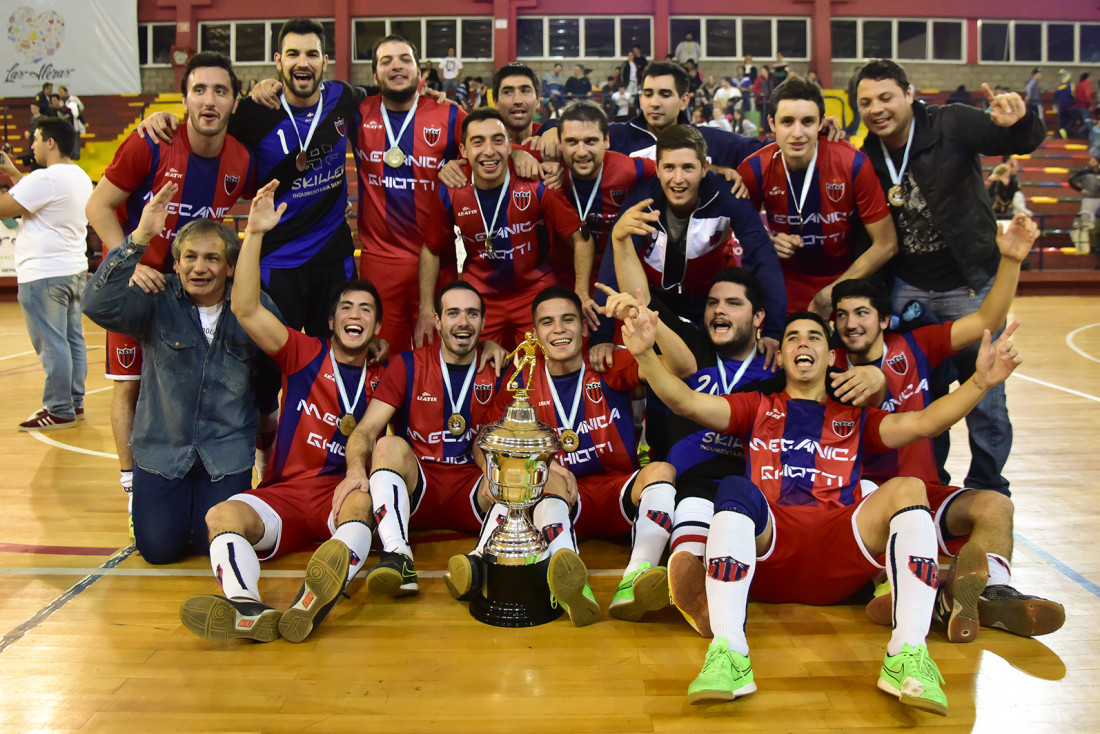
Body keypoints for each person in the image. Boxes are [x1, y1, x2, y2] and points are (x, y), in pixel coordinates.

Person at [629, 303, 1024, 714]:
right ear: (780, 355)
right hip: (771, 555)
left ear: (832, 356)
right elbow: (687, 402)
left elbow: (925, 423)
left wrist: (979, 381)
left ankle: (907, 654)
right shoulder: (756, 406)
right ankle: (729, 651)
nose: (804, 343)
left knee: (907, 488)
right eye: (793, 338)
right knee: (734, 489)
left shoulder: (856, 418)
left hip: (840, 549)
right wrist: (644, 355)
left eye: (815, 337)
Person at [830, 224, 1064, 644]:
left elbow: (987, 320)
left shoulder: (918, 345)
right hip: (866, 503)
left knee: (995, 505)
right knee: (882, 517)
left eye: (862, 313)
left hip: (926, 494)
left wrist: (1010, 261)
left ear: (884, 318)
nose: (851, 324)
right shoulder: (828, 365)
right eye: (842, 315)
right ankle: (924, 585)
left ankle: (989, 593)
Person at [177, 180, 385, 644]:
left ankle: (314, 597)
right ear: (331, 321)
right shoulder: (304, 353)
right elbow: (245, 307)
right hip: (286, 493)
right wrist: (254, 233)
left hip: (342, 490)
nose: (355, 314)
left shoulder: (389, 375)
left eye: (366, 309)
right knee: (222, 516)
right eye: (346, 306)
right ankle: (246, 605)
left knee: (358, 503)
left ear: (376, 326)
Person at [447, 285, 694, 624]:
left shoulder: (606, 362)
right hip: (562, 498)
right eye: (547, 322)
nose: (559, 329)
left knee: (662, 471)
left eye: (568, 320)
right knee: (545, 482)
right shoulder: (523, 379)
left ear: (583, 326)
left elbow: (684, 368)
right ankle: (570, 582)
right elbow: (484, 442)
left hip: (616, 491)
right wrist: (495, 475)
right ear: (534, 333)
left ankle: (634, 580)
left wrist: (650, 324)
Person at [856, 58, 1045, 495]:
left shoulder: (952, 123)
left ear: (909, 93)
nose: (877, 108)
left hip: (970, 285)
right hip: (908, 292)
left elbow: (1012, 136)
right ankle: (932, 485)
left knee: (988, 399)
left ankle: (987, 488)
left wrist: (1020, 122)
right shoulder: (867, 154)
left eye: (886, 97)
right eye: (866, 102)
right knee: (920, 395)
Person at [85, 51, 257, 531]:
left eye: (220, 91)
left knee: (189, 384)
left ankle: (195, 475)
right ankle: (131, 486)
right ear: (183, 98)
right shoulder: (152, 141)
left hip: (193, 288)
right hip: (141, 283)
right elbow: (97, 206)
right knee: (129, 386)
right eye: (199, 90)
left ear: (234, 101)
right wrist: (131, 258)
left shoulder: (240, 159)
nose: (209, 100)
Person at [83, 182, 280, 566]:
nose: (199, 267)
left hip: (225, 453)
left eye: (211, 258)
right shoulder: (156, 298)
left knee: (215, 546)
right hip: (163, 451)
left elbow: (279, 361)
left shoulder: (254, 304)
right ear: (175, 264)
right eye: (189, 257)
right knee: (158, 550)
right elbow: (95, 305)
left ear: (229, 266)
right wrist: (139, 238)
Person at [141, 20, 367, 337]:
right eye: (292, 54)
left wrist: (428, 92)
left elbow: (389, 92)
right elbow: (205, 125)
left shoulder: (342, 97)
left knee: (331, 366)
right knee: (267, 373)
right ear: (278, 61)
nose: (303, 62)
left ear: (324, 62)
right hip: (275, 264)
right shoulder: (251, 112)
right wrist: (164, 118)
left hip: (334, 259)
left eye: (312, 54)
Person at [334, 280, 504, 597]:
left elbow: (493, 441)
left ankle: (480, 563)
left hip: (474, 490)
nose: (463, 322)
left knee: (512, 471)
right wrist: (355, 469)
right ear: (437, 321)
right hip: (417, 490)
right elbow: (366, 430)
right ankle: (399, 557)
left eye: (472, 313)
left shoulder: (498, 370)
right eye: (453, 313)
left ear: (483, 321)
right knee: (387, 444)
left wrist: (496, 471)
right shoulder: (407, 364)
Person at [595, 124, 786, 356]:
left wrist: (773, 330)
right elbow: (614, 263)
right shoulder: (642, 200)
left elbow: (762, 259)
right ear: (656, 168)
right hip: (656, 302)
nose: (678, 179)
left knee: (715, 363)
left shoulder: (727, 196)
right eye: (669, 167)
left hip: (708, 299)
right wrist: (601, 336)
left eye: (688, 168)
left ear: (705, 167)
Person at [419, 108, 595, 349]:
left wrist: (581, 294)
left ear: (510, 146)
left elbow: (582, 239)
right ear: (463, 151)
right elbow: (431, 250)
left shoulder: (536, 184)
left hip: (535, 290)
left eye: (498, 140)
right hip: (480, 294)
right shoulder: (451, 189)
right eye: (477, 142)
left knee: (548, 366)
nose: (489, 151)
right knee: (475, 370)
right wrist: (426, 308)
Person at [738, 77, 898, 317]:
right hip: (783, 286)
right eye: (787, 122)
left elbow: (887, 244)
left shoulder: (852, 163)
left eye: (808, 122)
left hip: (847, 281)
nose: (797, 133)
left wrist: (833, 292)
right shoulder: (755, 168)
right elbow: (735, 232)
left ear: (821, 123)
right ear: (772, 123)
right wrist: (766, 242)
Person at [356, 34, 465, 354]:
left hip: (437, 260)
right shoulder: (358, 113)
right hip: (380, 264)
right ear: (374, 76)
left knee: (439, 360)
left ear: (420, 72)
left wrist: (521, 152)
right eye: (386, 61)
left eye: (405, 59)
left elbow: (490, 146)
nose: (396, 66)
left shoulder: (449, 113)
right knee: (380, 358)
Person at [0, 119, 91, 431]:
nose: (32, 146)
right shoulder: (76, 175)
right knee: (71, 339)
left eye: (36, 139)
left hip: (44, 274)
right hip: (73, 269)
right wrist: (13, 173)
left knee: (52, 343)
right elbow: (35, 199)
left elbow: (6, 207)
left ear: (51, 142)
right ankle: (74, 401)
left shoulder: (46, 179)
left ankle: (59, 408)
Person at [546, 101, 655, 288]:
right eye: (572, 142)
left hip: (614, 271)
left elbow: (670, 169)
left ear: (606, 140)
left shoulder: (628, 169)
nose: (581, 152)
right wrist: (521, 157)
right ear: (559, 143)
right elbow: (503, 153)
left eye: (591, 141)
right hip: (560, 272)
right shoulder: (549, 167)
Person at [1069, 155, 1100, 252]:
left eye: (1093, 161)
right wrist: (1080, 189)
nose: (1091, 162)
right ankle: (1087, 245)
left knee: (1096, 222)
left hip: (1098, 199)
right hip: (1088, 199)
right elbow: (1072, 180)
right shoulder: (1086, 172)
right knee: (1086, 220)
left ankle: (1094, 245)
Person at [57, 86, 85, 160]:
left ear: (66, 92)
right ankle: (70, 154)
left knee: (75, 137)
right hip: (66, 122)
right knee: (68, 138)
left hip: (74, 121)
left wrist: (74, 111)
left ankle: (76, 154)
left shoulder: (74, 99)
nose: (60, 94)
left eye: (61, 92)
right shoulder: (60, 102)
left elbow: (81, 107)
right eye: (59, 92)